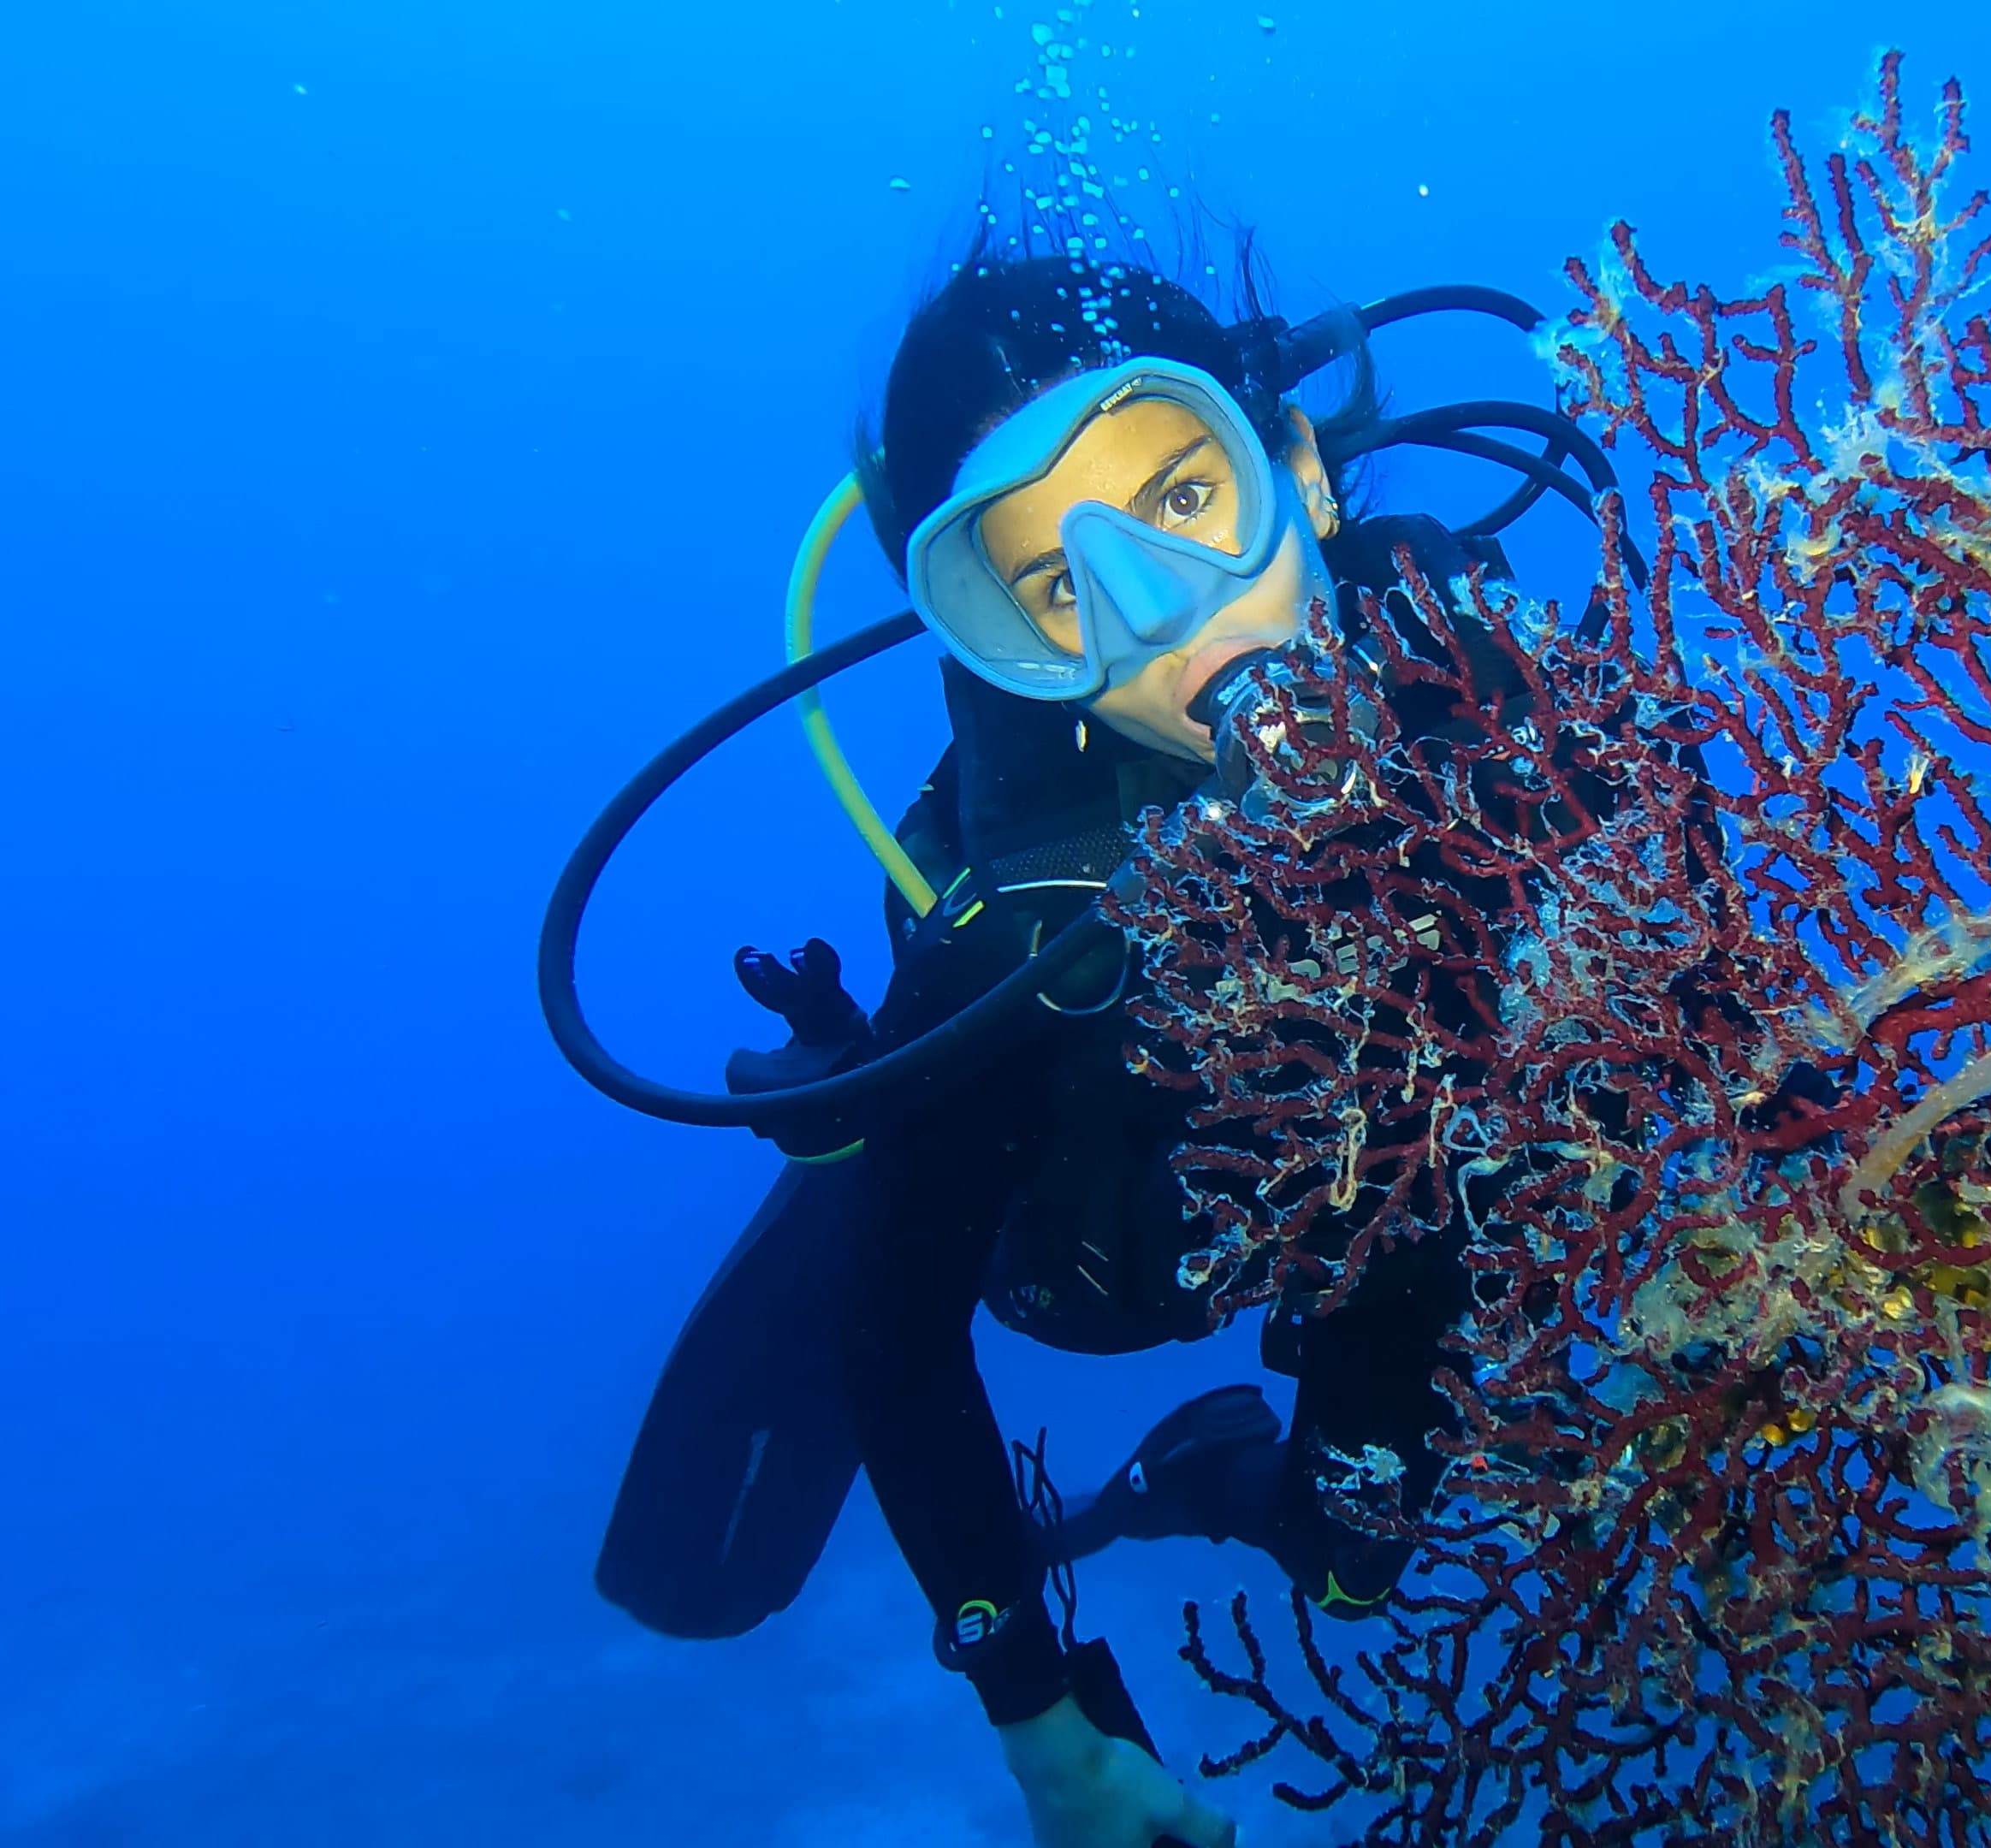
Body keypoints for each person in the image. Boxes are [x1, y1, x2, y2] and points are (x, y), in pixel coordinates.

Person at [588, 240, 1580, 1848]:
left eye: (1187, 499)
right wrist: (1042, 1732)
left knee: (1352, 1559)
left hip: (1394, 1218)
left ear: (1302, 471)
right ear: (1001, 641)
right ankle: (855, 1121)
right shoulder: (1025, 937)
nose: (1159, 619)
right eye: (1058, 585)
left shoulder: (1504, 697)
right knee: (918, 1219)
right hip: (1108, 1248)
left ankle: (1186, 1480)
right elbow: (904, 1353)